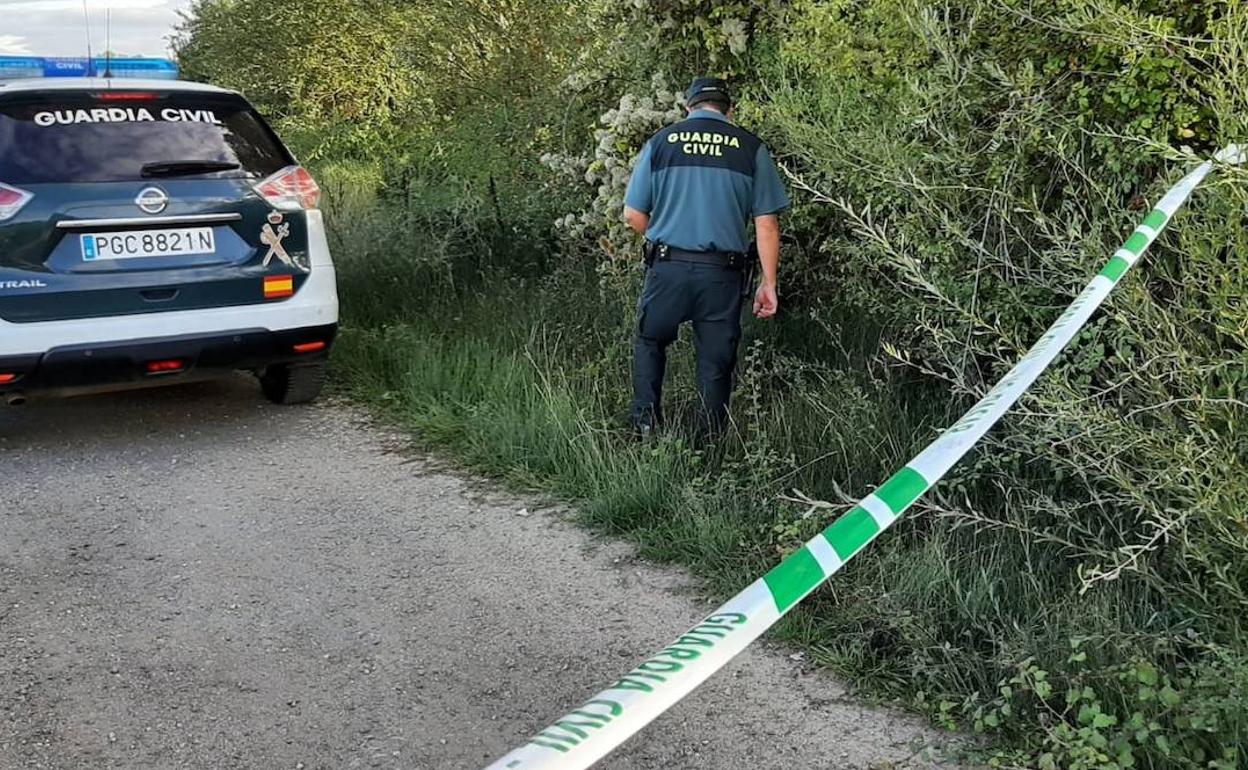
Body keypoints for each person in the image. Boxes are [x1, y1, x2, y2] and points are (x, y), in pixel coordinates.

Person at [623, 76, 789, 436]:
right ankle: (710, 443)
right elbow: (767, 225)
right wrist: (769, 283)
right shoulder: (750, 148)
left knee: (651, 342)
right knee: (716, 362)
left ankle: (646, 428)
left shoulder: (661, 142)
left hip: (667, 267)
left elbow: (633, 216)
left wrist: (665, 236)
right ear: (730, 111)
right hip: (721, 275)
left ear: (688, 108)